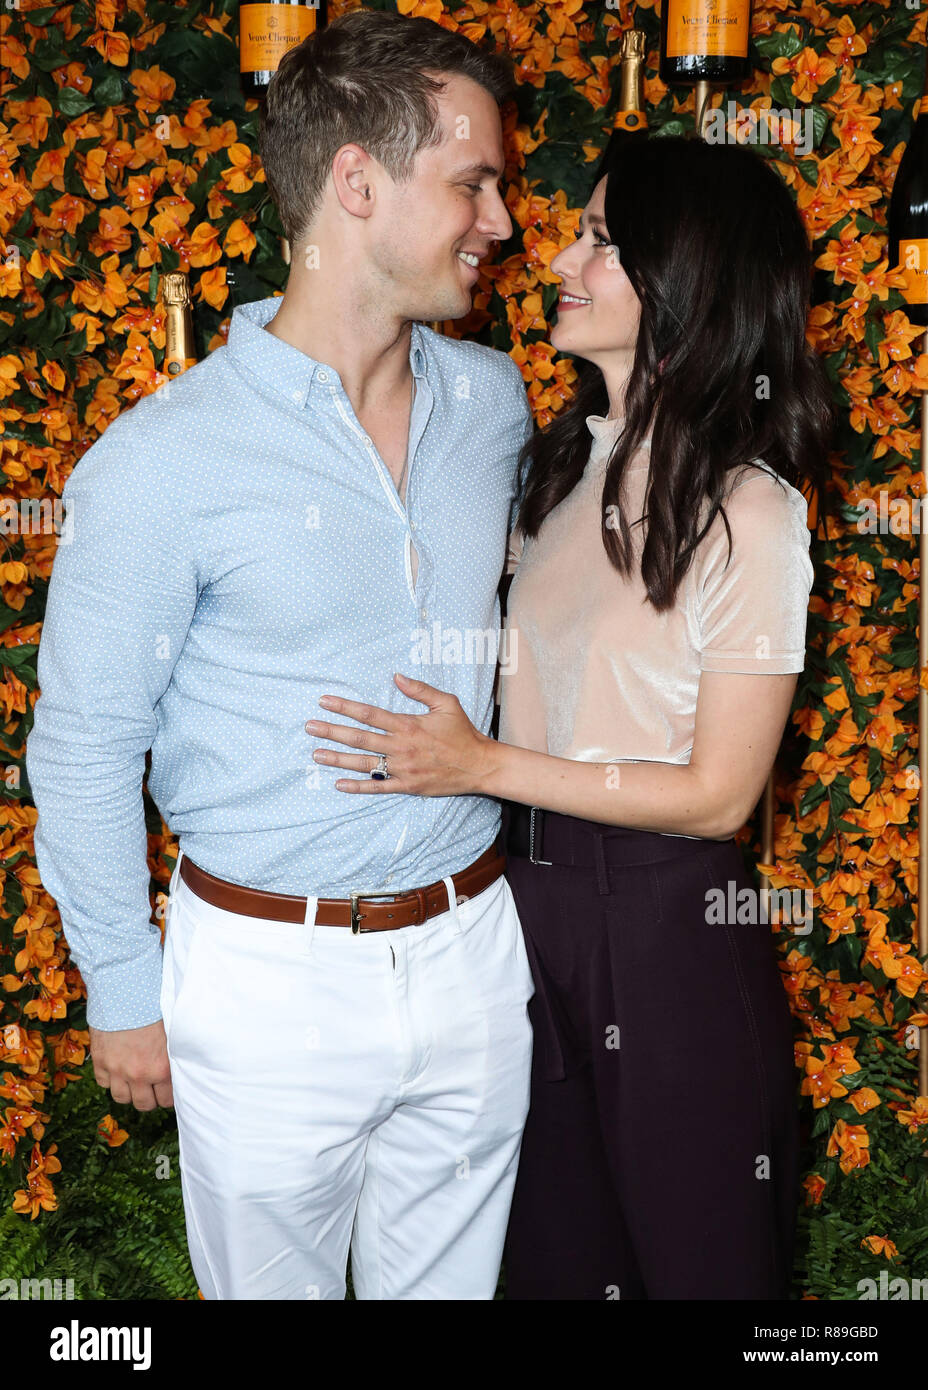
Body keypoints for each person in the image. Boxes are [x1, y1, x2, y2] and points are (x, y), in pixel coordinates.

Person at [26, 9, 537, 1301]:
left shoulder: (496, 404)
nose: (505, 223)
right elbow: (85, 740)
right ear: (357, 179)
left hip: (474, 950)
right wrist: (121, 990)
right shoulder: (161, 462)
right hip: (262, 984)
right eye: (474, 181)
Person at [302, 133, 835, 1300]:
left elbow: (720, 795)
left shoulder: (752, 511)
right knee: (547, 1270)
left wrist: (479, 762)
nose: (558, 256)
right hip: (511, 918)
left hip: (666, 927)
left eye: (600, 238)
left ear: (684, 274)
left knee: (704, 1275)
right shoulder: (551, 471)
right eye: (578, 231)